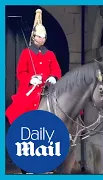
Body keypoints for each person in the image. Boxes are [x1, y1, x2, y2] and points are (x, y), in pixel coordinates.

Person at [5, 9, 62, 174]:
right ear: (33, 37)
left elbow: (56, 70)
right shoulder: (26, 53)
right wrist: (31, 79)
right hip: (29, 92)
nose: (42, 39)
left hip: (46, 91)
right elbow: (20, 73)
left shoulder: (50, 54)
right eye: (39, 36)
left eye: (44, 37)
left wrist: (53, 77)